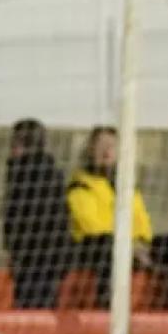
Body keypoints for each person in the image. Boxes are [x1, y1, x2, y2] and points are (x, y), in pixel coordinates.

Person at [66, 126, 154, 308]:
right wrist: (129, 245)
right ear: (91, 150)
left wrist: (141, 241)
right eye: (101, 145)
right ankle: (107, 306)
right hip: (92, 247)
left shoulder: (126, 186)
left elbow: (142, 220)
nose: (107, 151)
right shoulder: (81, 186)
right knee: (108, 244)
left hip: (130, 245)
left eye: (112, 146)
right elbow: (92, 225)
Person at [4, 119, 68, 308]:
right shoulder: (52, 171)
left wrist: (13, 251)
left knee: (29, 307)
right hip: (49, 257)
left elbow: (15, 218)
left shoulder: (22, 174)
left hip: (33, 258)